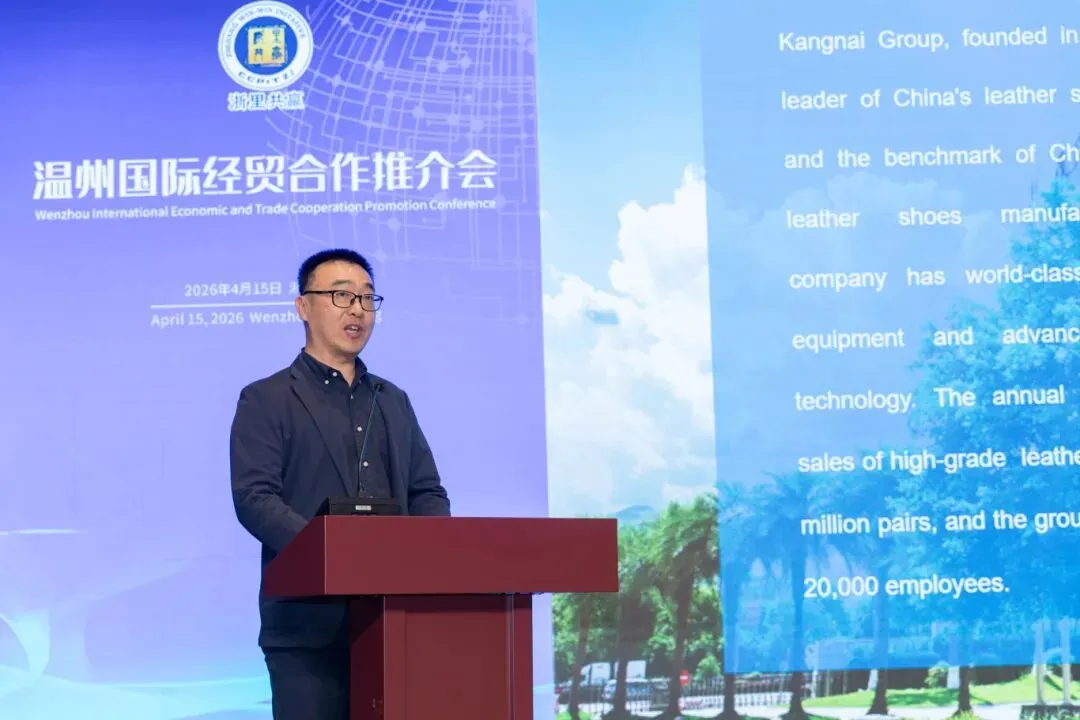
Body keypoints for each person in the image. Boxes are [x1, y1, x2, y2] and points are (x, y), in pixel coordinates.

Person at [229, 248, 451, 720]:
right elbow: (255, 499)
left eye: (368, 298)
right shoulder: (266, 398)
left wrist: (432, 559)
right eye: (342, 296)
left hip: (393, 622)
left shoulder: (393, 400)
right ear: (303, 307)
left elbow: (427, 493)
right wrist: (329, 553)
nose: (357, 310)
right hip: (307, 630)